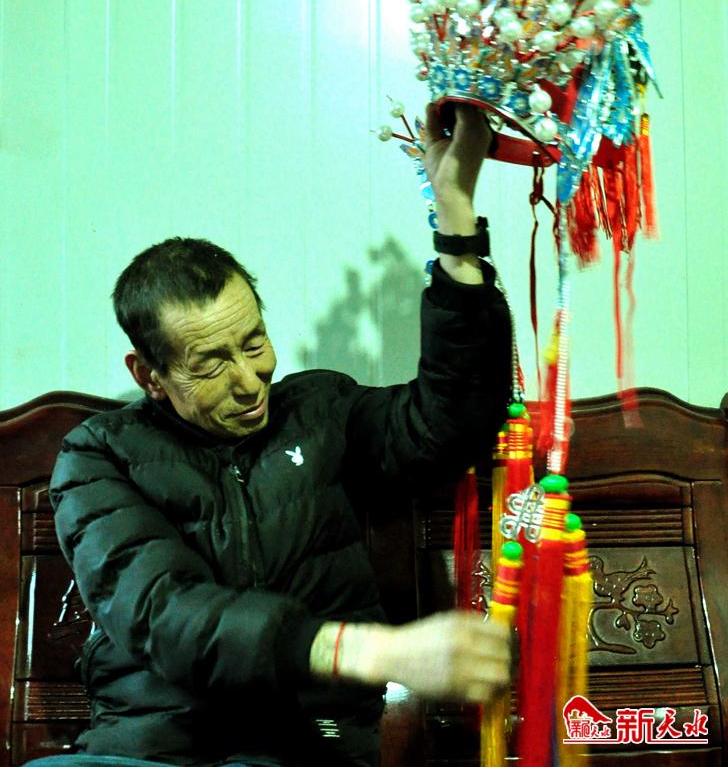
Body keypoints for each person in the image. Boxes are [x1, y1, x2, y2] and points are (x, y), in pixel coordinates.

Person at [45, 104, 513, 767]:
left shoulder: (320, 411)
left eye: (254, 342)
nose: (250, 381)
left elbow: (453, 421)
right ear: (149, 376)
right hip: (151, 751)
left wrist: (456, 213)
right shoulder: (98, 457)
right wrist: (371, 651)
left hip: (307, 744)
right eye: (212, 363)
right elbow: (164, 614)